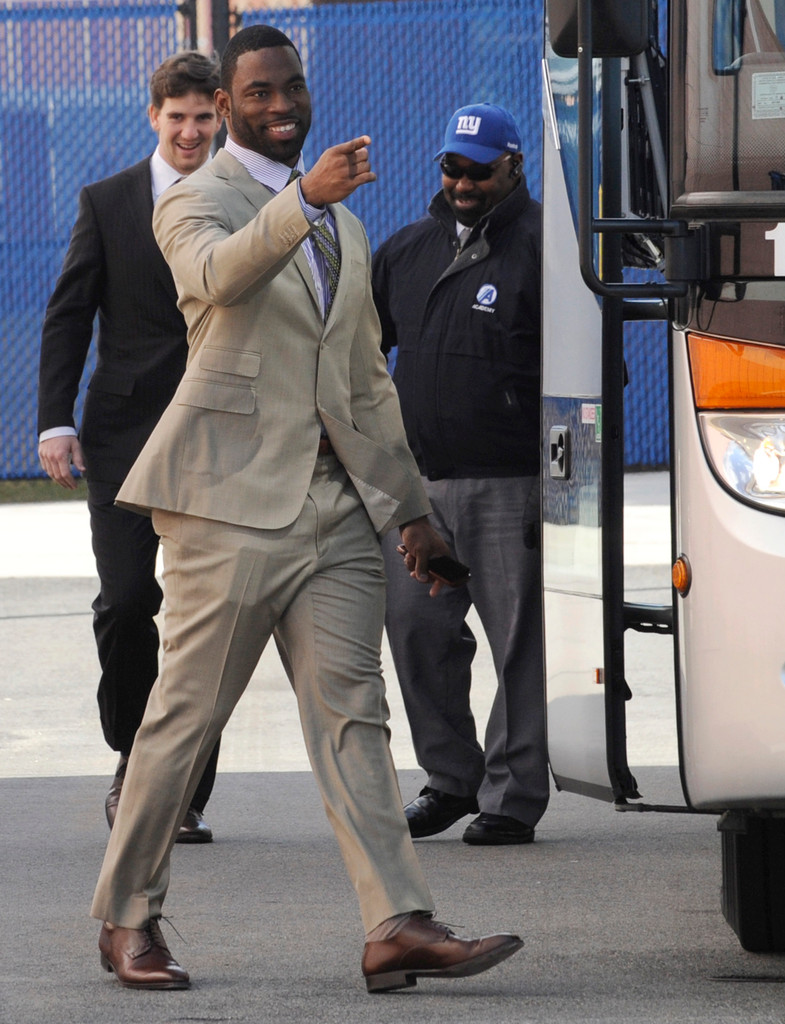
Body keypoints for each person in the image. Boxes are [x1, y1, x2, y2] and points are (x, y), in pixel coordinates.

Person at [89, 26, 523, 993]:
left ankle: (396, 923)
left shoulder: (347, 227)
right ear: (229, 104)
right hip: (229, 509)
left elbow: (364, 377)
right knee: (186, 722)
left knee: (354, 720)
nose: (280, 103)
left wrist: (409, 511)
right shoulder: (196, 198)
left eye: (291, 87)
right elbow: (215, 277)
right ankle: (127, 918)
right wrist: (302, 200)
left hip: (335, 511)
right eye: (258, 93)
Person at [37, 52, 224, 842]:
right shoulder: (108, 201)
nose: (188, 133)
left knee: (204, 617)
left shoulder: (245, 201)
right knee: (126, 603)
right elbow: (70, 312)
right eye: (175, 118)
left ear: (220, 117)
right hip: (122, 436)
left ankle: (177, 788)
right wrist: (56, 419)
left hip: (220, 436)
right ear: (154, 117)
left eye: (201, 119)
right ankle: (132, 756)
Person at [372, 103, 548, 846]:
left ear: (512, 165)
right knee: (417, 631)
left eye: (479, 169)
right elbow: (358, 358)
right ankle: (450, 778)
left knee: (518, 646)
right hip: (419, 490)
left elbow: (594, 376)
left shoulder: (549, 247)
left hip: (511, 485)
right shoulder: (406, 250)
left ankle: (511, 796)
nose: (464, 181)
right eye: (452, 167)